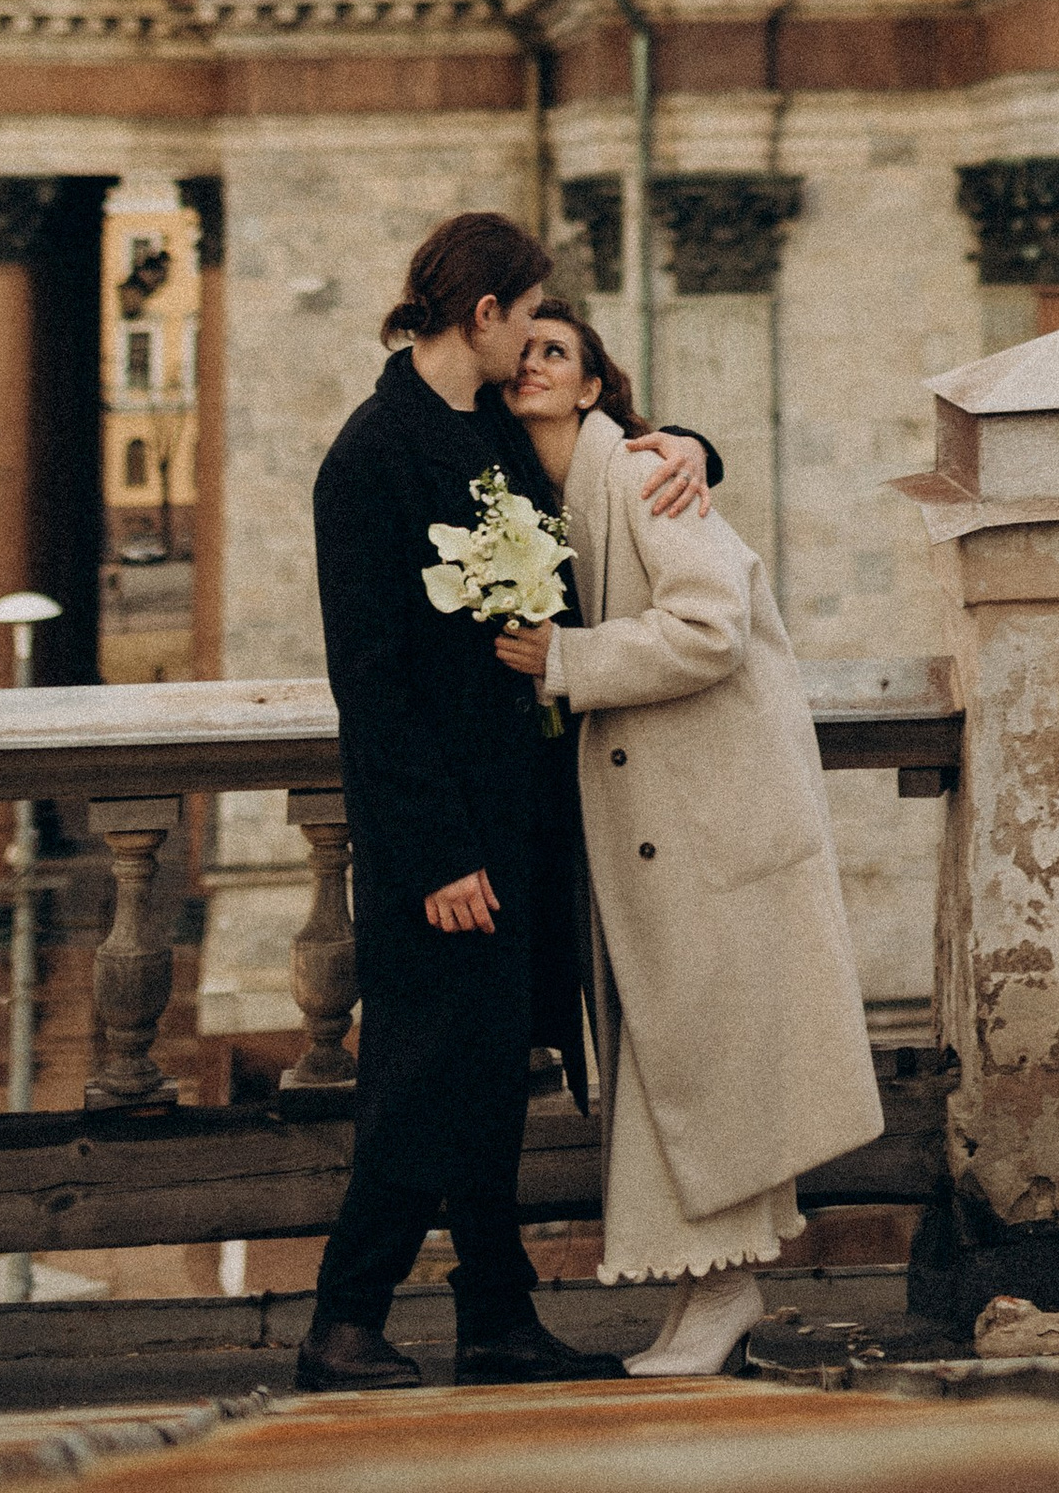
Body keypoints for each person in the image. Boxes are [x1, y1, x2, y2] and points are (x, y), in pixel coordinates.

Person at [297, 216, 721, 1395]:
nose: (539, 337)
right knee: (423, 1075)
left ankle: (494, 1317)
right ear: (482, 314)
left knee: (487, 1078)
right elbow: (370, 683)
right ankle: (341, 1323)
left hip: (522, 819)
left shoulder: (483, 430)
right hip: (439, 841)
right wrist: (435, 854)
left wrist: (687, 444)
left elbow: (604, 439)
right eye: (528, 315)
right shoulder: (371, 457)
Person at [496, 300, 884, 1378]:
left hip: (702, 823)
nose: (533, 363)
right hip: (652, 830)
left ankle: (723, 1291)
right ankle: (704, 1297)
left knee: (701, 1062)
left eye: (556, 353)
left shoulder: (635, 474)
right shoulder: (548, 487)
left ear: (592, 386)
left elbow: (709, 624)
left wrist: (566, 662)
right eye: (521, 350)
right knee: (672, 1063)